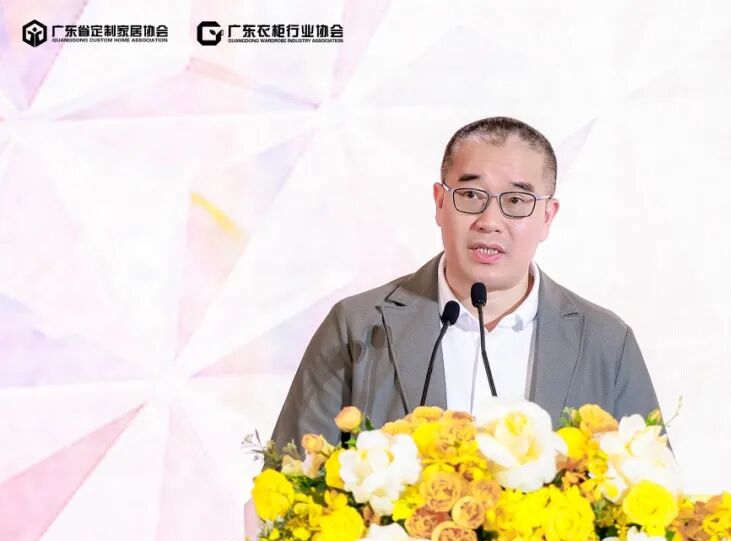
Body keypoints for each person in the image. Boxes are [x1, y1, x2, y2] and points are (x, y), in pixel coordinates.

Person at [270, 116, 661, 450]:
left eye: (516, 201)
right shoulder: (358, 327)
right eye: (471, 195)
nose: (489, 221)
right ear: (440, 203)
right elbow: (290, 483)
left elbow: (655, 493)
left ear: (547, 217)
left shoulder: (604, 342)